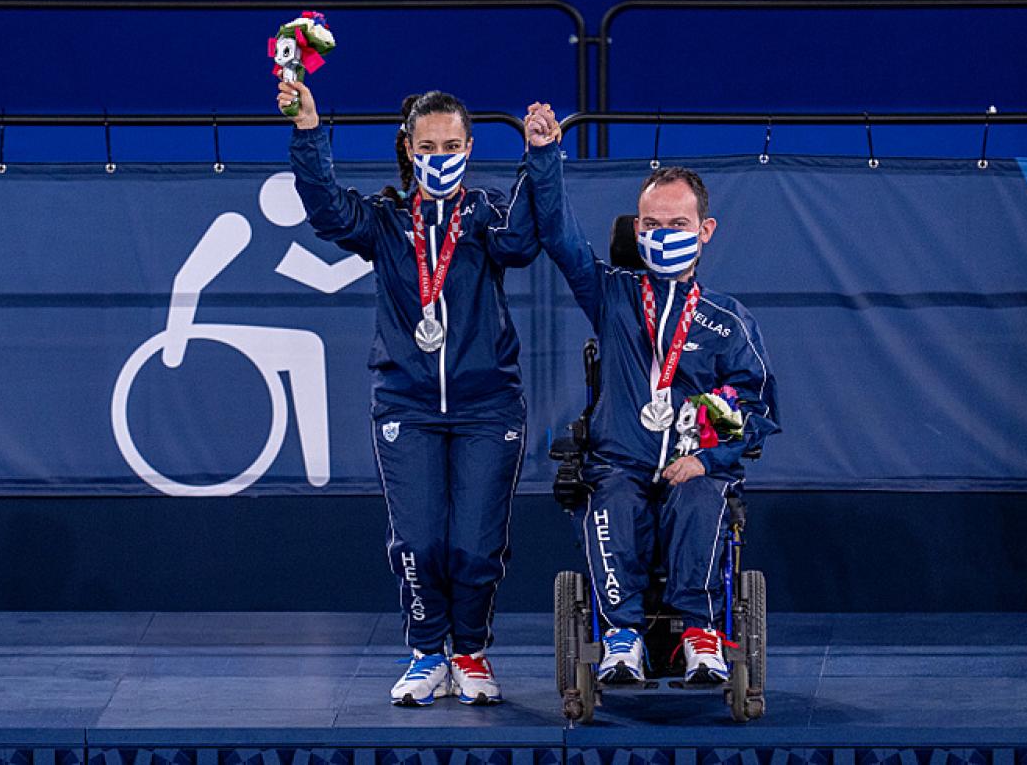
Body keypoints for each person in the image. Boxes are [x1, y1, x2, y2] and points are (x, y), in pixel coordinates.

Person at [278, 80, 539, 706]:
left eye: (453, 144)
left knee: (476, 546)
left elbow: (526, 243)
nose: (442, 155)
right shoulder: (387, 221)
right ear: (409, 146)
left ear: (471, 148)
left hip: (487, 405)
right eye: (430, 145)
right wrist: (309, 130)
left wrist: (540, 158)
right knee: (419, 542)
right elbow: (327, 213)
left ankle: (470, 652)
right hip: (407, 405)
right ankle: (427, 651)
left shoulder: (486, 214)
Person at [522, 102, 780, 684]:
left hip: (697, 466)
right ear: (637, 230)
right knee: (610, 495)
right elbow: (561, 237)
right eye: (653, 226)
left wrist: (708, 457)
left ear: (705, 231)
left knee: (699, 498)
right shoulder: (612, 295)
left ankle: (700, 635)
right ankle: (620, 638)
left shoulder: (727, 322)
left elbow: (756, 405)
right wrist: (544, 157)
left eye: (678, 225)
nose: (664, 235)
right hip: (622, 461)